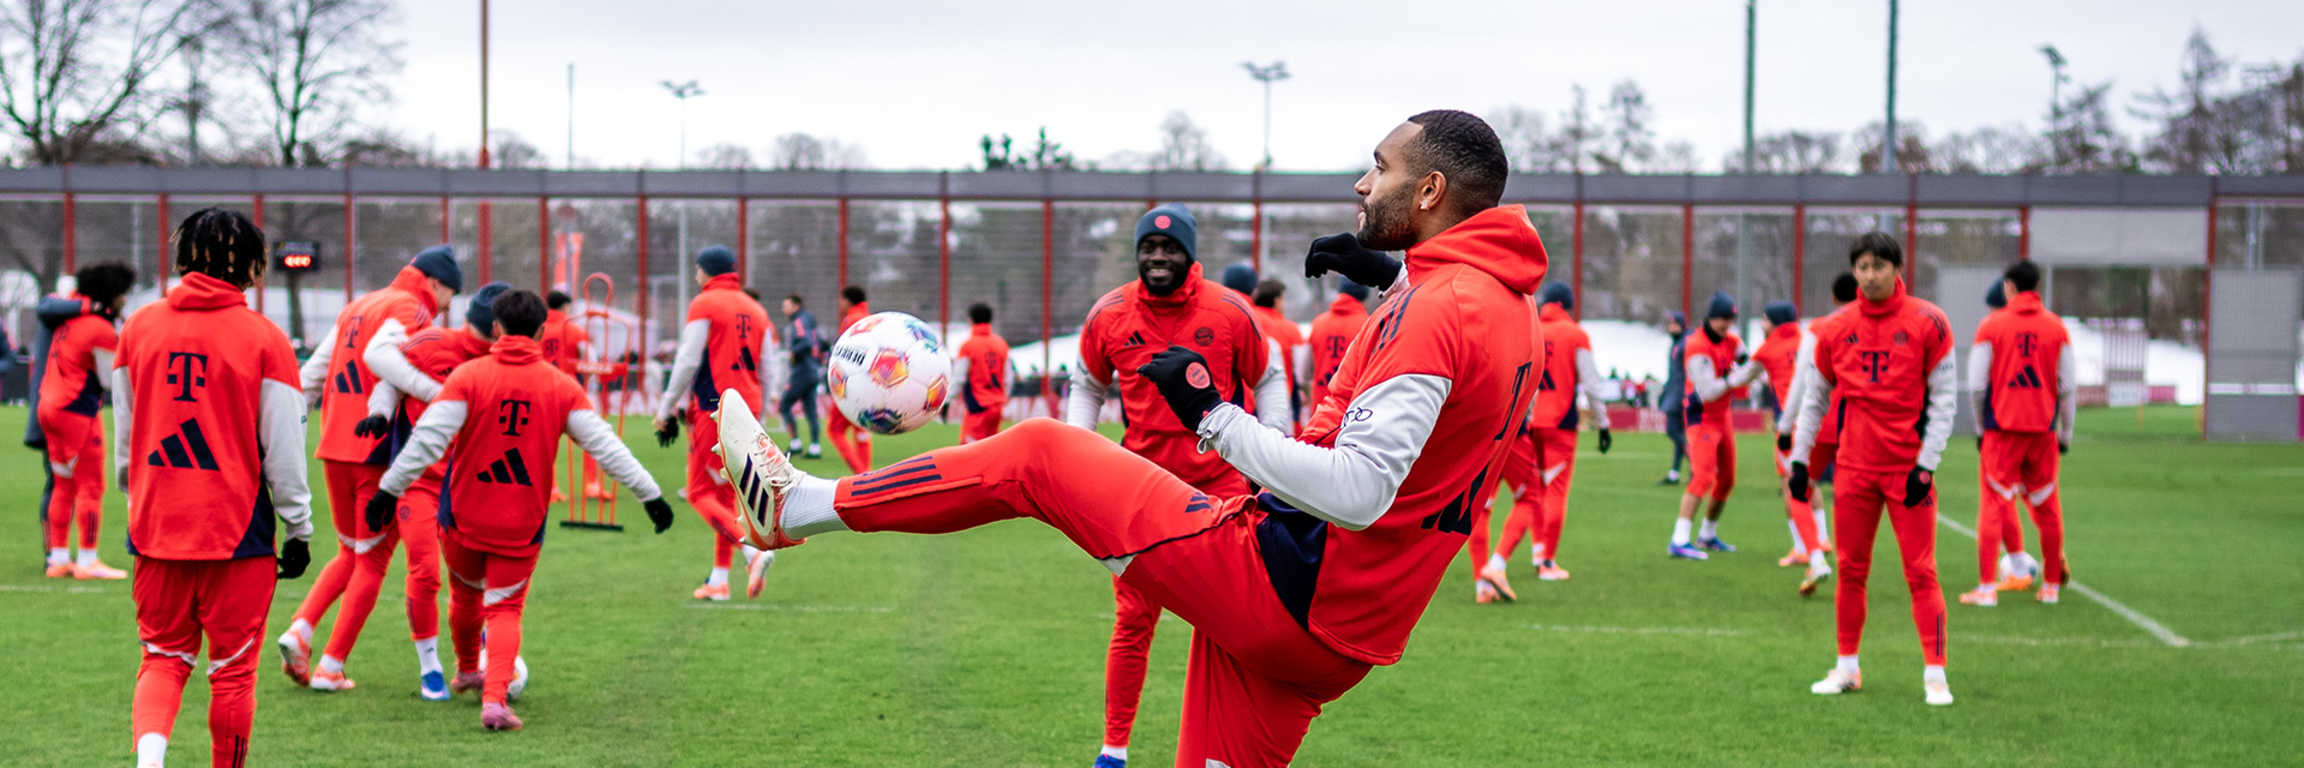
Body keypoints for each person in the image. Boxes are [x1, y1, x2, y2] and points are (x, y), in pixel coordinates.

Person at [716, 109, 1541, 766]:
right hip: (1348, 630)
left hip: (1286, 583)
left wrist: (1214, 418)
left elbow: (1361, 492)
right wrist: (1394, 277)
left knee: (1039, 454)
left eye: (1380, 167)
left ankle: (796, 504)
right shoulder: (1505, 306)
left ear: (1430, 189)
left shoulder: (1443, 307)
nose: (1363, 183)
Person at [366, 289, 676, 731]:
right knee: (506, 608)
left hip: (464, 517)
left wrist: (388, 489)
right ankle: (494, 703)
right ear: (541, 331)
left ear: (495, 328)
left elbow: (427, 440)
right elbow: (606, 446)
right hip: (520, 523)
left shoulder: (469, 377)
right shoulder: (560, 386)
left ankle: (467, 668)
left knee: (466, 594)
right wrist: (651, 496)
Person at [1063, 203, 1290, 767]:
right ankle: (1113, 752)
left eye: (1169, 248)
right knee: (1133, 622)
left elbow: (1268, 374)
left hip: (1221, 496)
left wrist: (1275, 449)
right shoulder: (1109, 313)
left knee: (1228, 626)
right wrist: (1077, 451)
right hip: (1137, 494)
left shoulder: (1230, 310)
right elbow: (1086, 384)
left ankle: (1216, 750)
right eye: (1148, 247)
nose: (1157, 256)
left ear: (1189, 253)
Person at [117, 207, 315, 768]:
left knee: (161, 658)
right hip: (237, 532)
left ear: (184, 259)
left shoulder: (139, 327)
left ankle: (149, 763)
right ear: (252, 267)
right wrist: (298, 527)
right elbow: (284, 452)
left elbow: (126, 436)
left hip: (156, 526)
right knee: (232, 673)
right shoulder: (265, 339)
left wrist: (138, 500)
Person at [279, 245, 462, 692]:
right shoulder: (411, 310)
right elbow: (387, 366)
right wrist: (439, 394)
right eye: (448, 296)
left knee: (350, 552)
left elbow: (313, 375)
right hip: (376, 449)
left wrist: (292, 428)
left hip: (334, 444)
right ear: (434, 283)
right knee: (373, 560)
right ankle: (330, 666)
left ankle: (300, 629)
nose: (446, 307)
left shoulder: (358, 306)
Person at [1788, 231, 1958, 706]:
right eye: (1862, 267)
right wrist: (1801, 460)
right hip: (1854, 469)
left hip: (1907, 470)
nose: (1869, 275)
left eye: (1878, 266)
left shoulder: (1930, 322)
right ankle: (1846, 669)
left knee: (1921, 572)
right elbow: (1815, 397)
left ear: (1898, 268)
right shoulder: (1834, 327)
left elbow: (1946, 401)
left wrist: (1926, 465)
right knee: (1851, 570)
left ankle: (1935, 675)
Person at [354, 281, 513, 700]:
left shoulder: (507, 361)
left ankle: (477, 654)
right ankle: (430, 667)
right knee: (425, 573)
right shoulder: (433, 342)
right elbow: (390, 375)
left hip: (471, 485)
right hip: (421, 481)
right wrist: (380, 411)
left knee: (475, 582)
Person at [654, 246, 777, 601]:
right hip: (748, 407)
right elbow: (770, 368)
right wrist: (762, 413)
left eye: (697, 270)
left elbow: (688, 359)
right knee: (723, 496)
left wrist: (665, 407)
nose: (696, 277)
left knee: (697, 493)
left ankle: (752, 553)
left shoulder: (705, 304)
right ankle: (719, 581)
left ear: (707, 271)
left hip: (714, 406)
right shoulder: (757, 309)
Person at [1481, 280, 1610, 596]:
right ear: (1568, 305)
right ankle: (1546, 560)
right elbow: (1592, 384)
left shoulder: (1531, 327)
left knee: (1533, 489)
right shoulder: (1575, 334)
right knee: (1553, 491)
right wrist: (1603, 423)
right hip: (1560, 423)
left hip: (1526, 420)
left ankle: (1535, 551)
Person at [1960, 261, 2075, 607]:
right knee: (2048, 510)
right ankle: (2051, 586)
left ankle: (1985, 588)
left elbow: (1977, 385)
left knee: (1993, 506)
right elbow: (2068, 385)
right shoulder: (2057, 327)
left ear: (2009, 286)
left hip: (2002, 431)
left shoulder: (1991, 326)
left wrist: (1980, 427)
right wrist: (2066, 433)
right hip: (2043, 431)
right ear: (2036, 285)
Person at [39, 262, 135, 580]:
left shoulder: (70, 321)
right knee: (91, 487)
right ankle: (89, 559)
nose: (125, 299)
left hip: (48, 404)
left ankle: (58, 559)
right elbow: (110, 381)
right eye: (122, 294)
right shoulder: (98, 328)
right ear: (112, 294)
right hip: (76, 410)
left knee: (63, 485)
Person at [1775, 273, 1859, 570]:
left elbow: (1802, 380)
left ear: (1834, 298)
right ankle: (1849, 562)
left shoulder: (1822, 327)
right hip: (1860, 427)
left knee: (1799, 490)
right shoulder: (1880, 328)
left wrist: (1785, 426)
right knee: (1853, 498)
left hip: (1821, 422)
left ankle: (1813, 555)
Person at [1669, 291, 1760, 560]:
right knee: (1702, 476)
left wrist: (1750, 370)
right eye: (1721, 319)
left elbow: (1748, 363)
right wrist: (1736, 379)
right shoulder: (1696, 345)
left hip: (1723, 417)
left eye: (1729, 319)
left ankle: (1707, 534)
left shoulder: (1733, 340)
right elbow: (1708, 391)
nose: (1725, 324)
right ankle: (1679, 538)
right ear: (1709, 317)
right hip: (1702, 417)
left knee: (1728, 479)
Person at [1752, 299, 1834, 595]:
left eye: (1764, 320)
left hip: (1792, 424)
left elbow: (1742, 377)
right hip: (1821, 419)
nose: (1762, 325)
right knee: (1812, 484)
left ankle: (1804, 549)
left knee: (1792, 486)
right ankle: (1822, 538)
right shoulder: (1808, 337)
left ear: (1773, 322)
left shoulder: (1768, 347)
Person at [540, 289, 604, 502]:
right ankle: (592, 485)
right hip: (572, 394)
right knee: (591, 438)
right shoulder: (575, 330)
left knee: (546, 444)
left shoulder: (538, 330)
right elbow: (591, 360)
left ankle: (551, 489)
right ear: (566, 307)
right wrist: (590, 385)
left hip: (545, 391)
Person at [824, 286, 874, 472]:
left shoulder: (851, 320)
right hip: (869, 383)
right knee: (861, 428)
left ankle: (860, 473)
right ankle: (867, 473)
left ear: (847, 300)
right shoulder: (871, 320)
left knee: (834, 430)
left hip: (851, 384)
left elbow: (844, 353)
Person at [1249, 278, 1307, 429]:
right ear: (1277, 300)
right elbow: (1301, 371)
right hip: (1279, 400)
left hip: (1246, 400)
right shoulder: (1290, 329)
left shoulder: (1247, 318)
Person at [952, 303, 1012, 444]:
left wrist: (947, 400)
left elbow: (959, 377)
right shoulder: (1001, 344)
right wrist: (1002, 397)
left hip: (978, 406)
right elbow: (1009, 378)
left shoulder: (968, 346)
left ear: (970, 320)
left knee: (968, 450)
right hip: (997, 406)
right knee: (990, 450)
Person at [1307, 279, 1371, 409]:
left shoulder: (1318, 322)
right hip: (1355, 410)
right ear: (1365, 296)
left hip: (1321, 408)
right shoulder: (1369, 325)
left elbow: (1306, 373)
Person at [777, 294, 827, 459]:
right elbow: (821, 342)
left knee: (784, 404)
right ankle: (815, 447)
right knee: (810, 409)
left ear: (796, 305)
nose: (784, 309)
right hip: (812, 370)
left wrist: (793, 353)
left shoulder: (799, 321)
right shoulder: (810, 319)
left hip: (802, 372)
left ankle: (795, 444)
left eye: (786, 305)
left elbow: (805, 342)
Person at [1657, 311, 1689, 485]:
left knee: (1672, 431)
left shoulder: (1684, 344)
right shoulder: (1676, 345)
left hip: (1681, 395)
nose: (1671, 327)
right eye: (1670, 324)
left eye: (1674, 324)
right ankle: (1674, 473)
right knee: (1680, 434)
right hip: (1675, 393)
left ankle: (1697, 463)